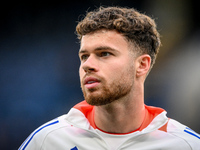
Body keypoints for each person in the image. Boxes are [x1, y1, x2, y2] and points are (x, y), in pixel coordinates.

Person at [19, 6, 200, 150]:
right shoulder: (47, 141)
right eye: (84, 56)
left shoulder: (186, 145)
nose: (87, 65)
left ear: (142, 65)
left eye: (104, 53)